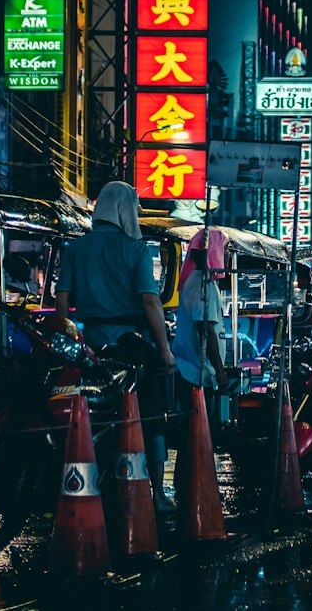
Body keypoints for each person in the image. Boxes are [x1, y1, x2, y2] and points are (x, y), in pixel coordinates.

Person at [55, 180, 176, 511]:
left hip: (89, 347)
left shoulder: (75, 249)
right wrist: (164, 351)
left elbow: (62, 301)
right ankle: (158, 493)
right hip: (130, 348)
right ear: (125, 210)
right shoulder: (136, 249)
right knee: (151, 415)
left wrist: (68, 341)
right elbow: (151, 302)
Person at [172, 228, 230, 412]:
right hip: (196, 375)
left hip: (190, 372)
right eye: (225, 249)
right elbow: (205, 330)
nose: (227, 255)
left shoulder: (195, 281)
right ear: (214, 251)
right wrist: (220, 372)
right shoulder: (203, 284)